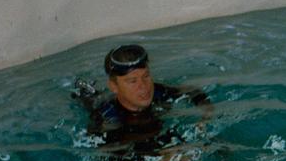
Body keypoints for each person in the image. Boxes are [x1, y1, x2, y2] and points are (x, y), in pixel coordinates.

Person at [72, 44, 209, 151]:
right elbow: (113, 158)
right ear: (114, 86)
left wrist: (206, 116)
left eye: (146, 76)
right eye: (132, 81)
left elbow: (193, 91)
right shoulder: (107, 118)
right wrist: (159, 157)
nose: (143, 86)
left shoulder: (159, 93)